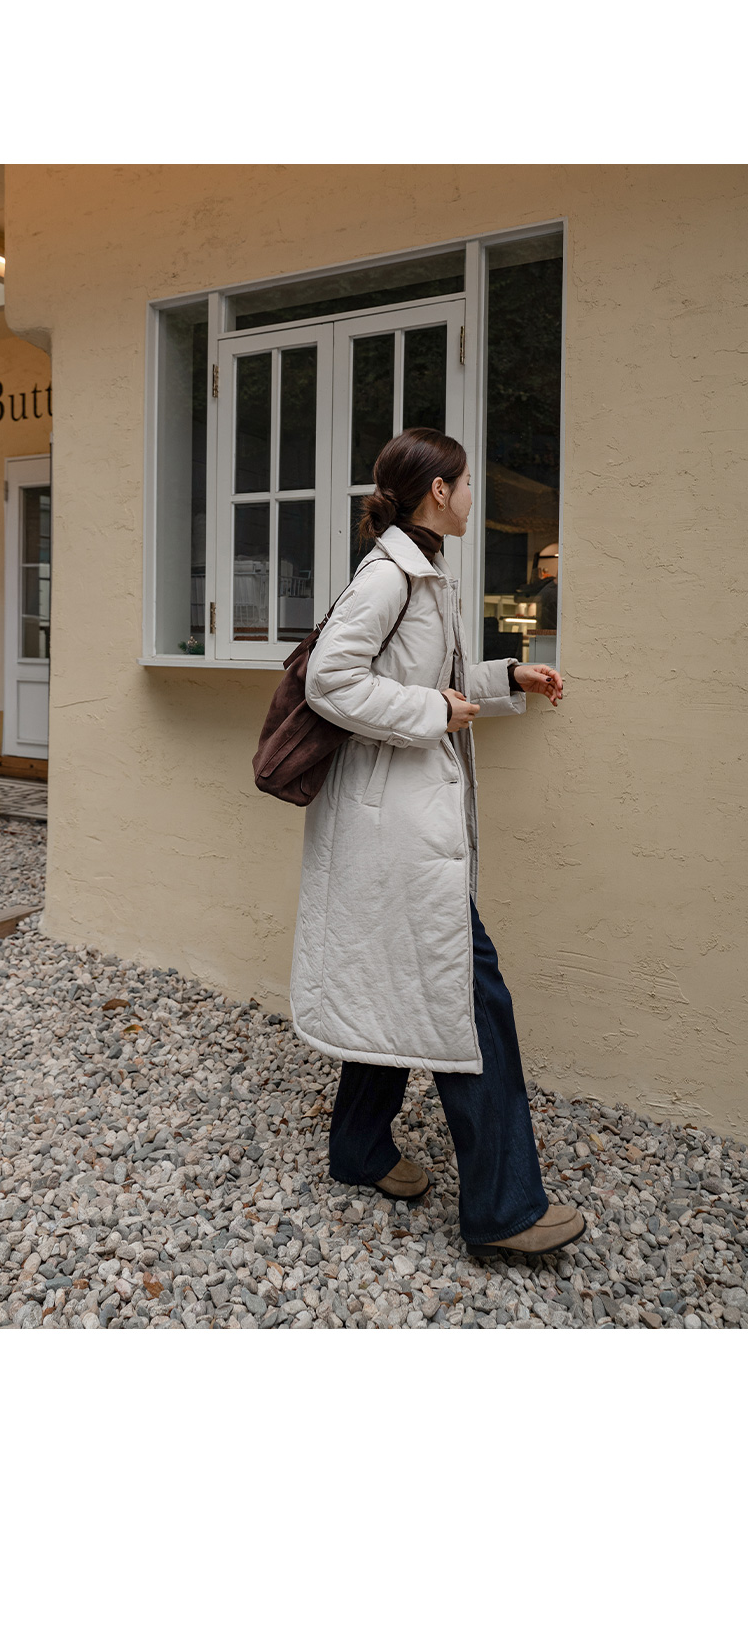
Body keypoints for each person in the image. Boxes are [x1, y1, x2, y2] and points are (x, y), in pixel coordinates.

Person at [290, 428, 585, 1262]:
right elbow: (330, 681)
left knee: (401, 978)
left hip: (404, 823)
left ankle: (359, 1149)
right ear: (439, 492)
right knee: (471, 996)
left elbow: (430, 682)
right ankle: (503, 1209)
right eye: (465, 483)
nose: (472, 496)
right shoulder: (390, 575)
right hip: (394, 827)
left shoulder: (423, 569)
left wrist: (505, 678)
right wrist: (432, 714)